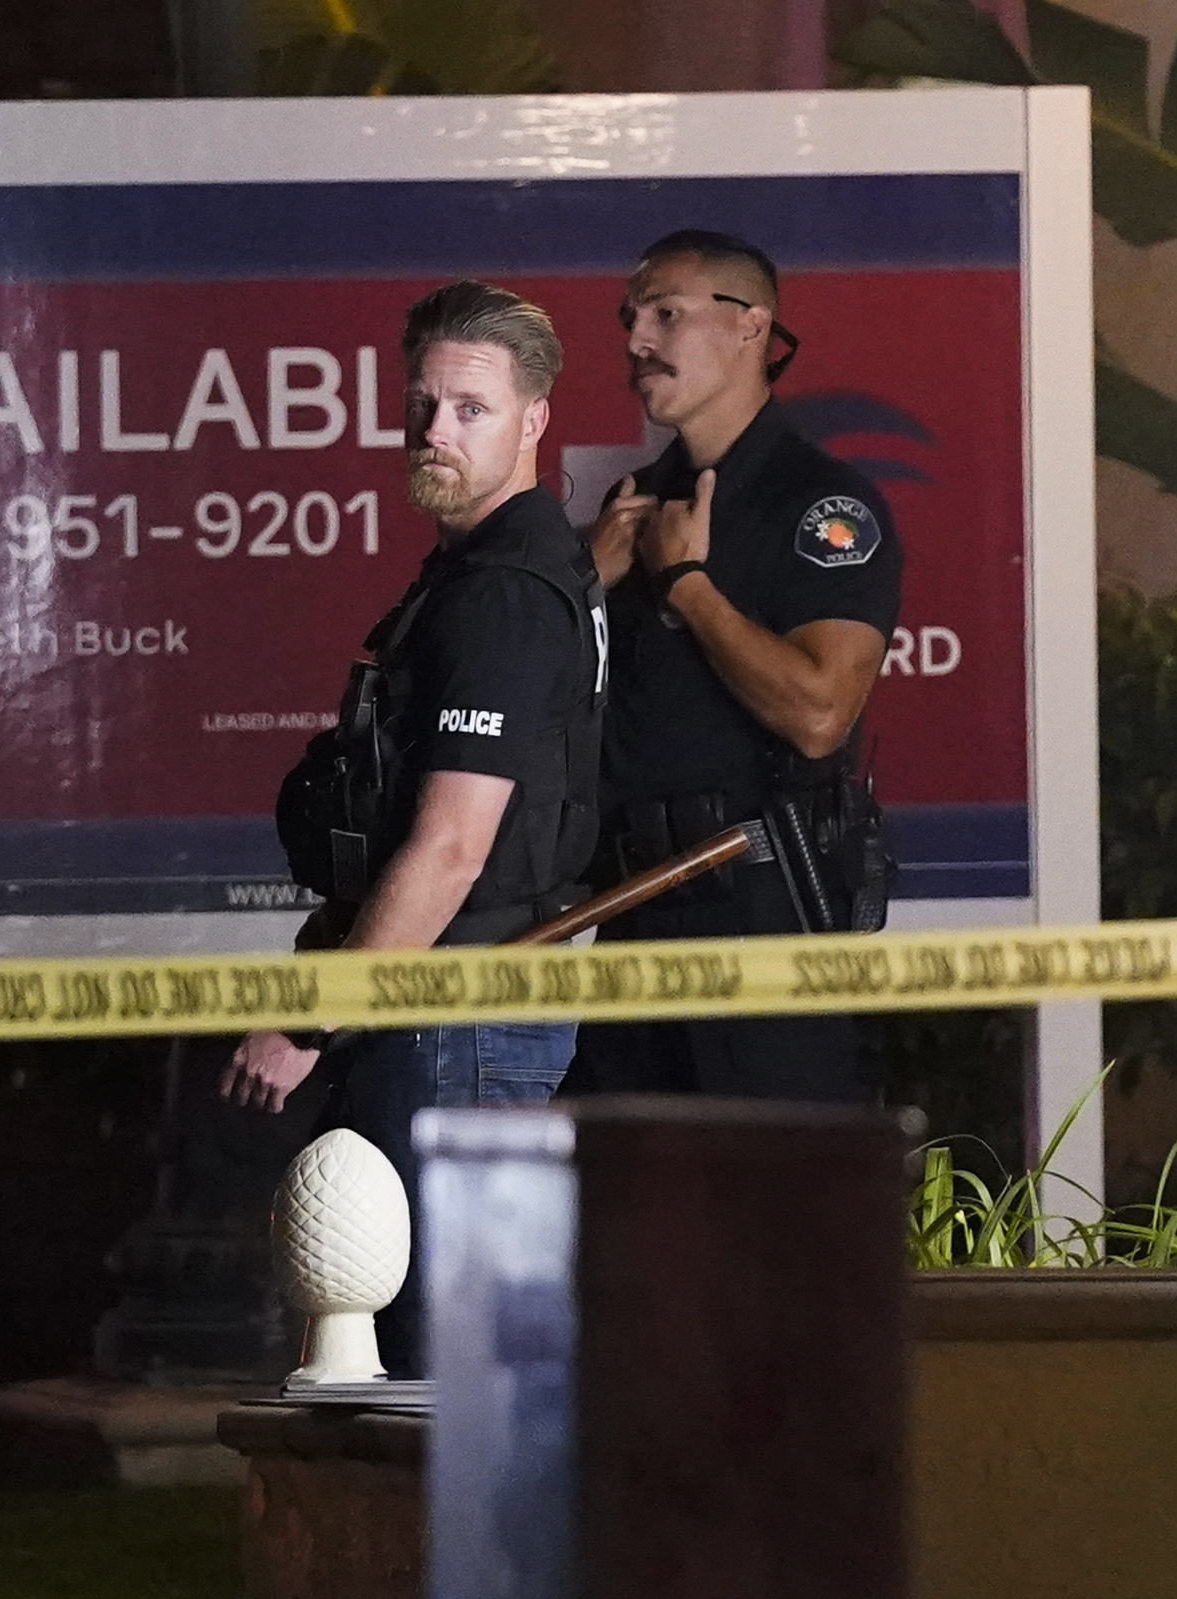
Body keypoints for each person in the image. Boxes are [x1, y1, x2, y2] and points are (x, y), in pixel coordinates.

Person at [222, 280, 606, 1372]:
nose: (436, 430)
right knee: (412, 1349)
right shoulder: (483, 569)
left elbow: (450, 844)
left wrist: (310, 1021)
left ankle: (472, 1552)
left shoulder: (502, 592)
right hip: (446, 1006)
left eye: (471, 408)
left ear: (535, 418)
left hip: (459, 1012)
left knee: (448, 1367)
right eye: (423, 404)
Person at [560, 228, 898, 1103]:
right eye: (630, 318)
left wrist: (688, 586)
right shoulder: (629, 507)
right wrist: (580, 588)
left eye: (666, 314)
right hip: (628, 908)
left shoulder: (822, 503)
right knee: (618, 1221)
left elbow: (822, 713)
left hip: (756, 912)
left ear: (752, 328)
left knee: (762, 1219)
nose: (636, 340)